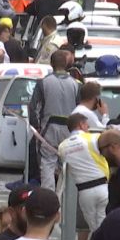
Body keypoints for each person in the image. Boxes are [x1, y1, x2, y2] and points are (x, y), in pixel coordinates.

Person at [29, 50, 81, 191]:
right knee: (68, 163)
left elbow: (33, 107)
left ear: (51, 64)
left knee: (47, 162)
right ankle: (66, 197)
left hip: (49, 128)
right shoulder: (76, 84)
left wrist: (36, 127)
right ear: (66, 64)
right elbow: (79, 109)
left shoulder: (43, 83)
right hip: (70, 130)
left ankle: (48, 196)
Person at [58, 113, 110, 234]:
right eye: (86, 124)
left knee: (94, 229)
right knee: (104, 222)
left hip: (84, 192)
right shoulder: (93, 138)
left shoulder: (62, 146)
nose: (88, 127)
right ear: (81, 124)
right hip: (103, 186)